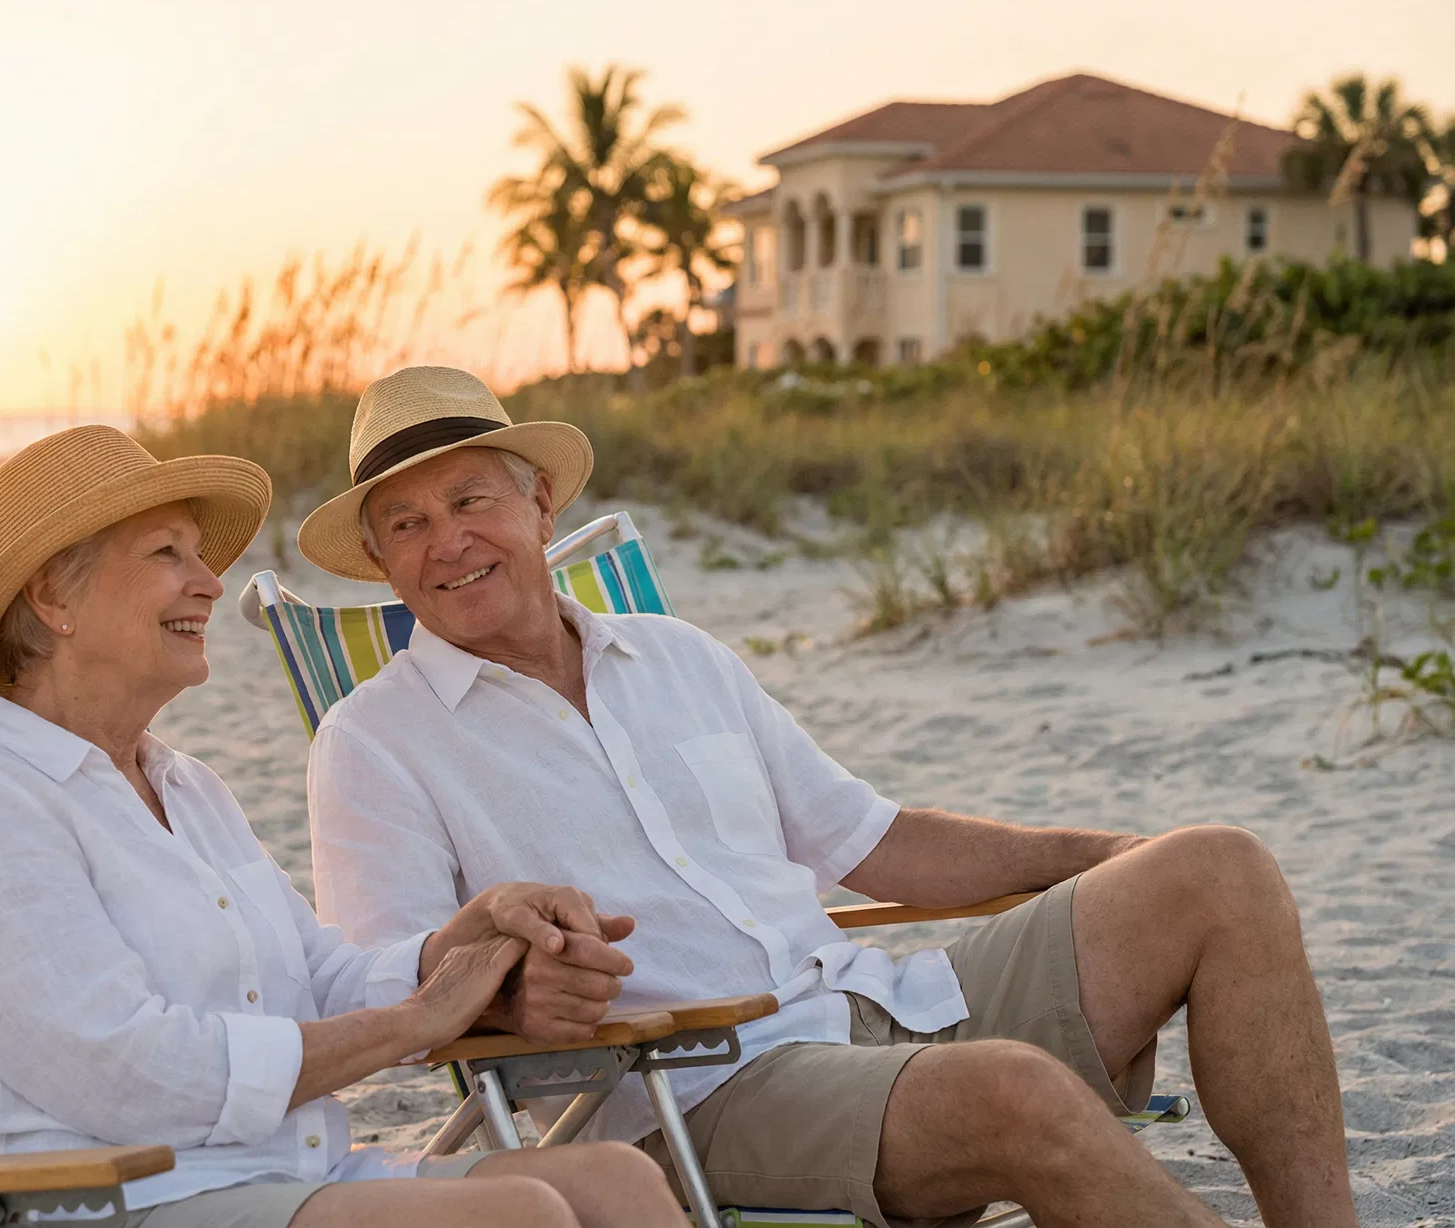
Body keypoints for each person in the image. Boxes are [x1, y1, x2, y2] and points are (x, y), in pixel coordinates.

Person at [297, 366, 1356, 1228]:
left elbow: (876, 840)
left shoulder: (677, 657)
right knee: (1011, 1087)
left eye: (470, 498)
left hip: (879, 1004)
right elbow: (385, 998)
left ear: (539, 499)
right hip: (694, 1086)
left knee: (1218, 868)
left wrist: (1108, 853)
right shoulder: (374, 743)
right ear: (383, 562)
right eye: (405, 523)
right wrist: (510, 996)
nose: (446, 541)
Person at [0, 425, 687, 1228]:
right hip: (94, 1200)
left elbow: (317, 976)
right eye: (168, 555)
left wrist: (459, 951)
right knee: (514, 1213)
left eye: (200, 555)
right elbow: (123, 1074)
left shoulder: (183, 787)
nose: (211, 583)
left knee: (613, 1180)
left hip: (274, 1176)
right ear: (53, 597)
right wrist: (414, 1022)